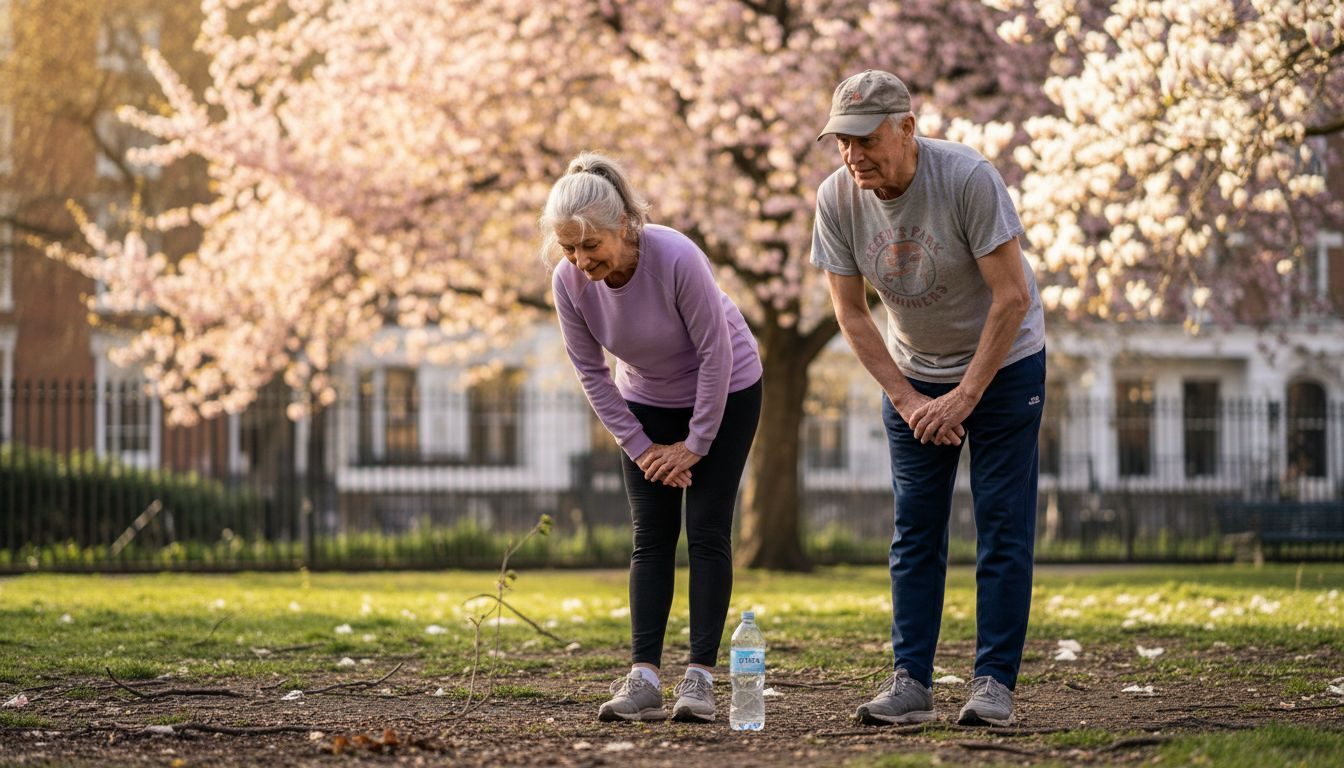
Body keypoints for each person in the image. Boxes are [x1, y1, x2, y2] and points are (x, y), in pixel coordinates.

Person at [810, 70, 1046, 727]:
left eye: (865, 139)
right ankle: (910, 682)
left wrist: (966, 396)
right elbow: (852, 316)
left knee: (1002, 526)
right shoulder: (837, 198)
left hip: (1004, 364)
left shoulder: (967, 178)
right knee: (915, 529)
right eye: (841, 142)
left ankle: (994, 683)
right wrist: (912, 401)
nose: (853, 155)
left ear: (907, 129)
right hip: (915, 375)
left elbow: (1013, 297)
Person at [540, 152, 763, 723]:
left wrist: (696, 443)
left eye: (591, 246)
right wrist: (641, 448)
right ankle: (643, 678)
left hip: (728, 388)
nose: (580, 260)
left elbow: (715, 351)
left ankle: (699, 679)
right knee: (651, 536)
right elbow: (591, 371)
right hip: (646, 399)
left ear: (624, 227)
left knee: (707, 527)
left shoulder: (676, 256)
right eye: (568, 248)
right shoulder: (569, 282)